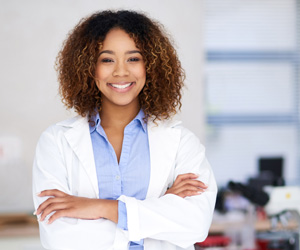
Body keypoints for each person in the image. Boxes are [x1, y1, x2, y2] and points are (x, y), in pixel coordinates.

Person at [32, 10, 217, 250]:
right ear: (89, 67)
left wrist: (100, 207)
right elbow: (61, 238)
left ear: (151, 65)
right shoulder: (55, 142)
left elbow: (195, 224)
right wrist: (160, 209)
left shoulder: (182, 142)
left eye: (133, 59)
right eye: (107, 59)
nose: (121, 71)